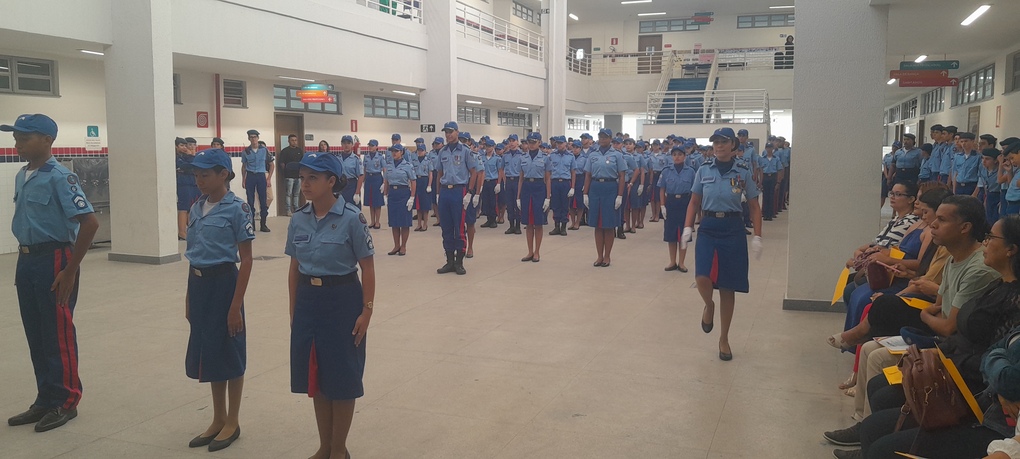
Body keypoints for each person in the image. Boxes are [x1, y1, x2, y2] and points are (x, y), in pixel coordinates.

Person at [4, 114, 99, 432]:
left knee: (57, 334)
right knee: (36, 333)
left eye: (24, 137)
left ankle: (66, 400)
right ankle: (45, 399)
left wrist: (70, 271)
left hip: (55, 258)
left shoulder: (61, 177)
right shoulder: (22, 175)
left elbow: (90, 223)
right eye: (16, 137)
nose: (17, 143)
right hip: (27, 260)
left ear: (47, 140)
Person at [285, 152, 375, 459]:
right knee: (317, 375)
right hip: (308, 300)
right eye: (302, 178)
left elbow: (368, 268)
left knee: (343, 376)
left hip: (342, 300)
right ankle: (325, 446)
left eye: (313, 178)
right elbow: (294, 269)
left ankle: (338, 450)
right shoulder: (298, 218)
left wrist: (367, 311)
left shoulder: (352, 218)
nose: (305, 184)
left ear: (331, 181)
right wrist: (294, 309)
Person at [182, 149, 254, 451]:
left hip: (224, 285)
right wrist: (189, 297)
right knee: (210, 351)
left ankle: (233, 420)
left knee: (230, 350)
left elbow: (246, 260)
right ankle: (218, 418)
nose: (199, 180)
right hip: (199, 285)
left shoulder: (237, 209)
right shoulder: (196, 207)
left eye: (205, 174)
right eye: (196, 174)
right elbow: (193, 255)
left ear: (223, 174)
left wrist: (235, 306)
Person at [682, 127, 762, 361]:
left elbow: (754, 206)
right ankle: (709, 305)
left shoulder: (743, 171)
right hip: (708, 226)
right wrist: (688, 227)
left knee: (728, 286)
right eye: (715, 142)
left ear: (733, 145)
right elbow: (694, 201)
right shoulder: (704, 169)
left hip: (732, 228)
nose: (718, 146)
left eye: (723, 142)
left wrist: (757, 236)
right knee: (702, 276)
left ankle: (724, 338)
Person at [435, 121, 478, 275]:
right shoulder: (442, 151)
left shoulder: (465, 151)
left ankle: (459, 262)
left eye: (451, 131)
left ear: (457, 132)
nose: (448, 135)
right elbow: (439, 173)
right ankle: (449, 261)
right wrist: (438, 193)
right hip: (445, 192)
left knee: (459, 228)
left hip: (459, 191)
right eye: (446, 132)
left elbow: (474, 172)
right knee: (446, 228)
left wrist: (470, 192)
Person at [583, 128, 627, 267]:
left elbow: (622, 176)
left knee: (608, 225)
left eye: (605, 137)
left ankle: (607, 256)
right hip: (595, 187)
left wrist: (620, 195)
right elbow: (588, 175)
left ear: (610, 139)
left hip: (610, 188)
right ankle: (599, 256)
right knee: (597, 225)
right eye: (600, 137)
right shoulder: (593, 154)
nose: (602, 139)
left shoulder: (617, 155)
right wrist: (585, 193)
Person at [659, 145, 695, 272]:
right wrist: (662, 205)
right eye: (674, 155)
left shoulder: (691, 172)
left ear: (685, 156)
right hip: (671, 202)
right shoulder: (666, 171)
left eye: (680, 154)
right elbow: (662, 189)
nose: (677, 157)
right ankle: (672, 261)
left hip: (685, 203)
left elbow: (695, 191)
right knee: (671, 234)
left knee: (684, 233)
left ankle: (682, 262)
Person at [517, 132, 552, 262]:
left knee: (538, 222)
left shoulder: (545, 158)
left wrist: (548, 197)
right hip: (526, 187)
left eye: (534, 142)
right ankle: (530, 251)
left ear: (539, 142)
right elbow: (521, 178)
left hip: (539, 188)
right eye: (529, 142)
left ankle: (537, 252)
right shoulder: (523, 157)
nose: (531, 145)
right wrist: (518, 197)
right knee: (528, 223)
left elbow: (548, 179)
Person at [383, 144, 416, 256]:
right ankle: (396, 245)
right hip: (393, 193)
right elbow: (386, 180)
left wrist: (412, 197)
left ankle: (403, 246)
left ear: (401, 152)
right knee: (394, 222)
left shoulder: (407, 165)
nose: (394, 153)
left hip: (403, 193)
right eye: (392, 151)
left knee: (404, 222)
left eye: (396, 151)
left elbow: (413, 181)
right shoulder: (389, 165)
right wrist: (385, 194)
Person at [240, 129, 274, 233]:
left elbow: (272, 164)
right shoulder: (246, 151)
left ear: (258, 138)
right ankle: (252, 224)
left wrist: (269, 178)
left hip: (261, 176)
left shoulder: (264, 150)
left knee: (263, 200)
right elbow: (244, 166)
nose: (253, 139)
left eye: (255, 137)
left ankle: (263, 224)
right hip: (250, 176)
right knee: (250, 201)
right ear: (249, 139)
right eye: (251, 137)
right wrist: (243, 179)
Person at [548, 136, 575, 236]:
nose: (559, 145)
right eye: (557, 143)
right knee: (555, 205)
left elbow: (573, 172)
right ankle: (556, 226)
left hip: (565, 182)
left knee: (565, 205)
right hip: (555, 182)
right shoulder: (552, 155)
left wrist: (572, 187)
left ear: (565, 143)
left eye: (561, 143)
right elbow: (548, 171)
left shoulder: (570, 156)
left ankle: (563, 227)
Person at [177, 137, 200, 239]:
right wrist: (190, 157)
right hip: (183, 183)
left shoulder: (194, 156)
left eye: (193, 145)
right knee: (183, 208)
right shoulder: (180, 157)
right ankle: (182, 232)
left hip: (193, 183)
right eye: (188, 145)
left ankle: (190, 230)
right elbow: (185, 166)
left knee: (192, 208)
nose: (191, 147)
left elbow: (195, 166)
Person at [279, 134, 305, 216]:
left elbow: (302, 162)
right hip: (289, 176)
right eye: (292, 140)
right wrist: (285, 172)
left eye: (295, 140)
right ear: (289, 141)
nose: (294, 142)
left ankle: (296, 209)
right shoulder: (285, 151)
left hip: (298, 176)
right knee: (288, 194)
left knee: (296, 194)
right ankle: (288, 210)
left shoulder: (299, 151)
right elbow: (282, 163)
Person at [479, 140, 503, 229]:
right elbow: (481, 171)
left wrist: (499, 183)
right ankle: (488, 219)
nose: (488, 148)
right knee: (486, 201)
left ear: (493, 147)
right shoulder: (482, 157)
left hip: (493, 181)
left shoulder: (497, 158)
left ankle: (493, 220)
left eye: (489, 146)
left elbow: (500, 171)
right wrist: (481, 184)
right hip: (485, 181)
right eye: (486, 146)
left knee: (493, 202)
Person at [334, 135, 363, 208]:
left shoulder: (356, 159)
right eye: (344, 143)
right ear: (341, 144)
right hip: (340, 186)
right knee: (340, 208)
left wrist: (357, 192)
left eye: (348, 143)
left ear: (352, 145)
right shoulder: (337, 158)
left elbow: (361, 176)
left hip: (351, 186)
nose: (346, 145)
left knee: (353, 209)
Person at [362, 140, 386, 229]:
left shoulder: (380, 157)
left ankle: (377, 222)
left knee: (377, 202)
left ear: (376, 147)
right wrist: (363, 181)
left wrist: (384, 182)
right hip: (369, 178)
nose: (370, 147)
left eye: (372, 145)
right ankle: (372, 221)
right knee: (371, 201)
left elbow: (384, 169)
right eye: (369, 145)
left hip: (377, 178)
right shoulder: (366, 156)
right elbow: (364, 169)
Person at [503, 134, 523, 235]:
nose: (511, 143)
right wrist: (504, 181)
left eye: (513, 141)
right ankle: (511, 225)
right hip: (509, 181)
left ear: (517, 142)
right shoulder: (505, 155)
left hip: (517, 181)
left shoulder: (522, 155)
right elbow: (501, 169)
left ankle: (518, 226)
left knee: (517, 204)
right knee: (510, 204)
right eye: (509, 141)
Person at [758, 142, 784, 220]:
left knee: (772, 196)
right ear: (765, 148)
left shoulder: (776, 159)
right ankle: (765, 214)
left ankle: (770, 214)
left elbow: (779, 170)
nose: (769, 149)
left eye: (770, 148)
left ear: (773, 149)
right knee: (765, 196)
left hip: (773, 177)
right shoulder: (762, 159)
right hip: (765, 177)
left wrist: (778, 182)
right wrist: (760, 182)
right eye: (767, 147)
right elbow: (760, 170)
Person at [413, 144, 433, 232]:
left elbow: (430, 174)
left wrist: (429, 185)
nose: (420, 152)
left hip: (425, 181)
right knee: (418, 205)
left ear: (425, 151)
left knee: (425, 205)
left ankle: (425, 224)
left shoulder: (428, 161)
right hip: (417, 181)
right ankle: (419, 224)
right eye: (419, 150)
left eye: (421, 150)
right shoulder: (414, 161)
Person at [568, 140, 588, 230]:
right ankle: (572, 222)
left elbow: (586, 173)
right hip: (570, 179)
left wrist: (585, 184)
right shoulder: (569, 157)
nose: (575, 149)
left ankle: (578, 222)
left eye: (577, 147)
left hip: (580, 179)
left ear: (580, 148)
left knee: (580, 202)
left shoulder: (584, 158)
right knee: (571, 202)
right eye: (574, 147)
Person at [982, 148, 1003, 224]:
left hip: (998, 195)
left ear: (995, 160)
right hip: (989, 194)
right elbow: (985, 185)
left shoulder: (1000, 171)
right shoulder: (983, 170)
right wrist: (986, 198)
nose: (984, 161)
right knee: (988, 218)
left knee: (996, 219)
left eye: (987, 159)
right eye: (983, 158)